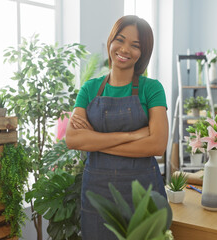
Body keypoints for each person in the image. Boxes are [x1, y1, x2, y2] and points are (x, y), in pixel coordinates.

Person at [65, 15, 168, 240]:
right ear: (111, 41)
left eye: (135, 45)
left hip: (144, 192)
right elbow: (72, 139)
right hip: (97, 193)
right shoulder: (90, 88)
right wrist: (132, 135)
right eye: (120, 40)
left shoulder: (152, 89)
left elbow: (158, 145)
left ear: (143, 53)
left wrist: (95, 140)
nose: (124, 49)